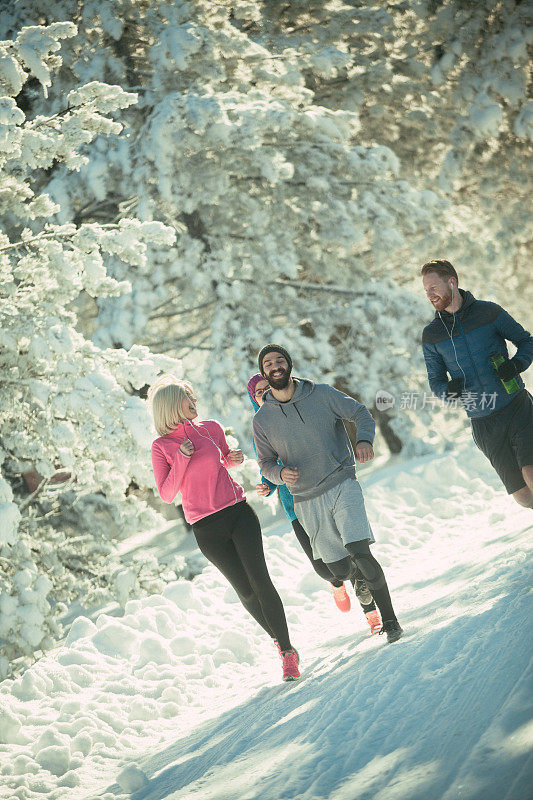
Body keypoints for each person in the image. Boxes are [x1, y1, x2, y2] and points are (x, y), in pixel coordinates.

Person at [149, 374, 300, 681]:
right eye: (187, 399)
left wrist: (233, 459)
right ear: (171, 407)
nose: (194, 403)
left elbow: (222, 462)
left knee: (260, 581)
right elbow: (167, 493)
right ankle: (277, 638)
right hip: (205, 528)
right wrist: (181, 457)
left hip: (237, 513)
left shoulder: (211, 428)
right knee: (244, 591)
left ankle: (287, 652)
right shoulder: (162, 446)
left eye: (193, 398)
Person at [252, 345, 403, 643]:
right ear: (264, 373)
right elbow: (265, 464)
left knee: (362, 552)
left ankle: (391, 621)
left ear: (289, 365)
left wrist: (363, 440)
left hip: (342, 481)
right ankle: (355, 577)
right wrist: (279, 474)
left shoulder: (320, 394)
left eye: (280, 360)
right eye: (268, 363)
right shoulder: (261, 420)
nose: (275, 366)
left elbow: (360, 412)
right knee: (339, 568)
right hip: (306, 500)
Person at [421, 259, 533, 508]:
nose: (429, 294)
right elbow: (435, 380)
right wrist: (447, 392)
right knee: (524, 497)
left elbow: (527, 341)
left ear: (452, 282)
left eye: (433, 287)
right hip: (483, 422)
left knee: (531, 473)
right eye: (426, 290)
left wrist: (516, 365)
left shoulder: (488, 312)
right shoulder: (432, 335)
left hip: (517, 407)